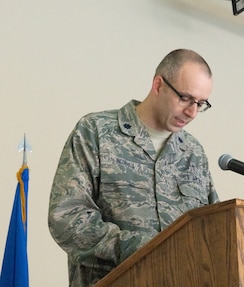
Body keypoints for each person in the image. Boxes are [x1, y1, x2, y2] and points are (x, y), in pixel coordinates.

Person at [48, 48, 220, 287]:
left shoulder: (193, 153)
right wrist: (140, 249)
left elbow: (211, 231)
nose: (192, 112)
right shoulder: (96, 132)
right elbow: (66, 218)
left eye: (201, 104)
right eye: (185, 98)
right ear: (158, 85)